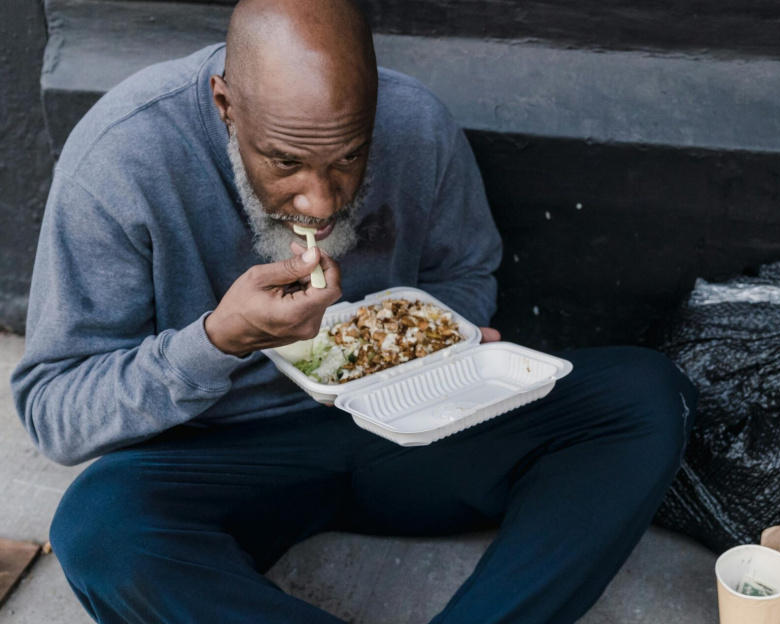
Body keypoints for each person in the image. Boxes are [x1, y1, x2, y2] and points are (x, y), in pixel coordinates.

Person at [9, 0, 696, 621]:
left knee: (641, 395)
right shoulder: (124, 158)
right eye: (284, 162)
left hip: (407, 429)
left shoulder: (413, 122)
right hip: (223, 455)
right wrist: (219, 340)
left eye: (348, 158)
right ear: (225, 106)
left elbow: (465, 269)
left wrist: (426, 344)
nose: (320, 201)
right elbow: (56, 409)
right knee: (100, 529)